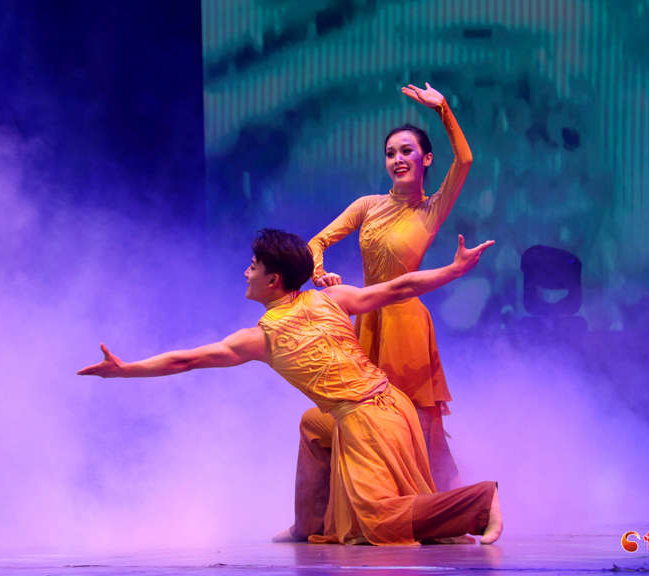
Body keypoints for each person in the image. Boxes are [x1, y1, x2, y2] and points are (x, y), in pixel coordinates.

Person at [78, 229, 501, 546]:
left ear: (273, 280)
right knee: (314, 424)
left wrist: (125, 371)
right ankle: (308, 524)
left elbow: (185, 360)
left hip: (369, 420)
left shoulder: (263, 337)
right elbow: (399, 288)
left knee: (378, 522)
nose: (246, 272)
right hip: (392, 406)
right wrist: (453, 270)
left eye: (253, 267)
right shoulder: (330, 299)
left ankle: (480, 501)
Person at [289, 83, 472, 540]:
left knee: (419, 426)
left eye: (407, 151)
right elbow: (317, 242)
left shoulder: (431, 209)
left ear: (426, 159)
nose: (397, 159)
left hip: (406, 325)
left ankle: (448, 513)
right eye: (391, 153)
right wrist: (319, 272)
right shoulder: (368, 206)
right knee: (352, 421)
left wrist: (443, 110)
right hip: (366, 320)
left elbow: (465, 161)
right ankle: (318, 519)